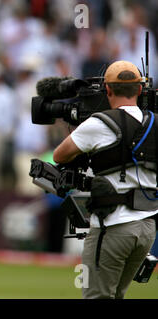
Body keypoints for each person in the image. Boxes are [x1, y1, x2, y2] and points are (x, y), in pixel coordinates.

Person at [53, 60, 158, 299]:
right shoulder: (154, 122)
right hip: (147, 228)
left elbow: (60, 155)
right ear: (140, 90)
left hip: (114, 225)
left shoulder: (99, 123)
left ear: (108, 89)